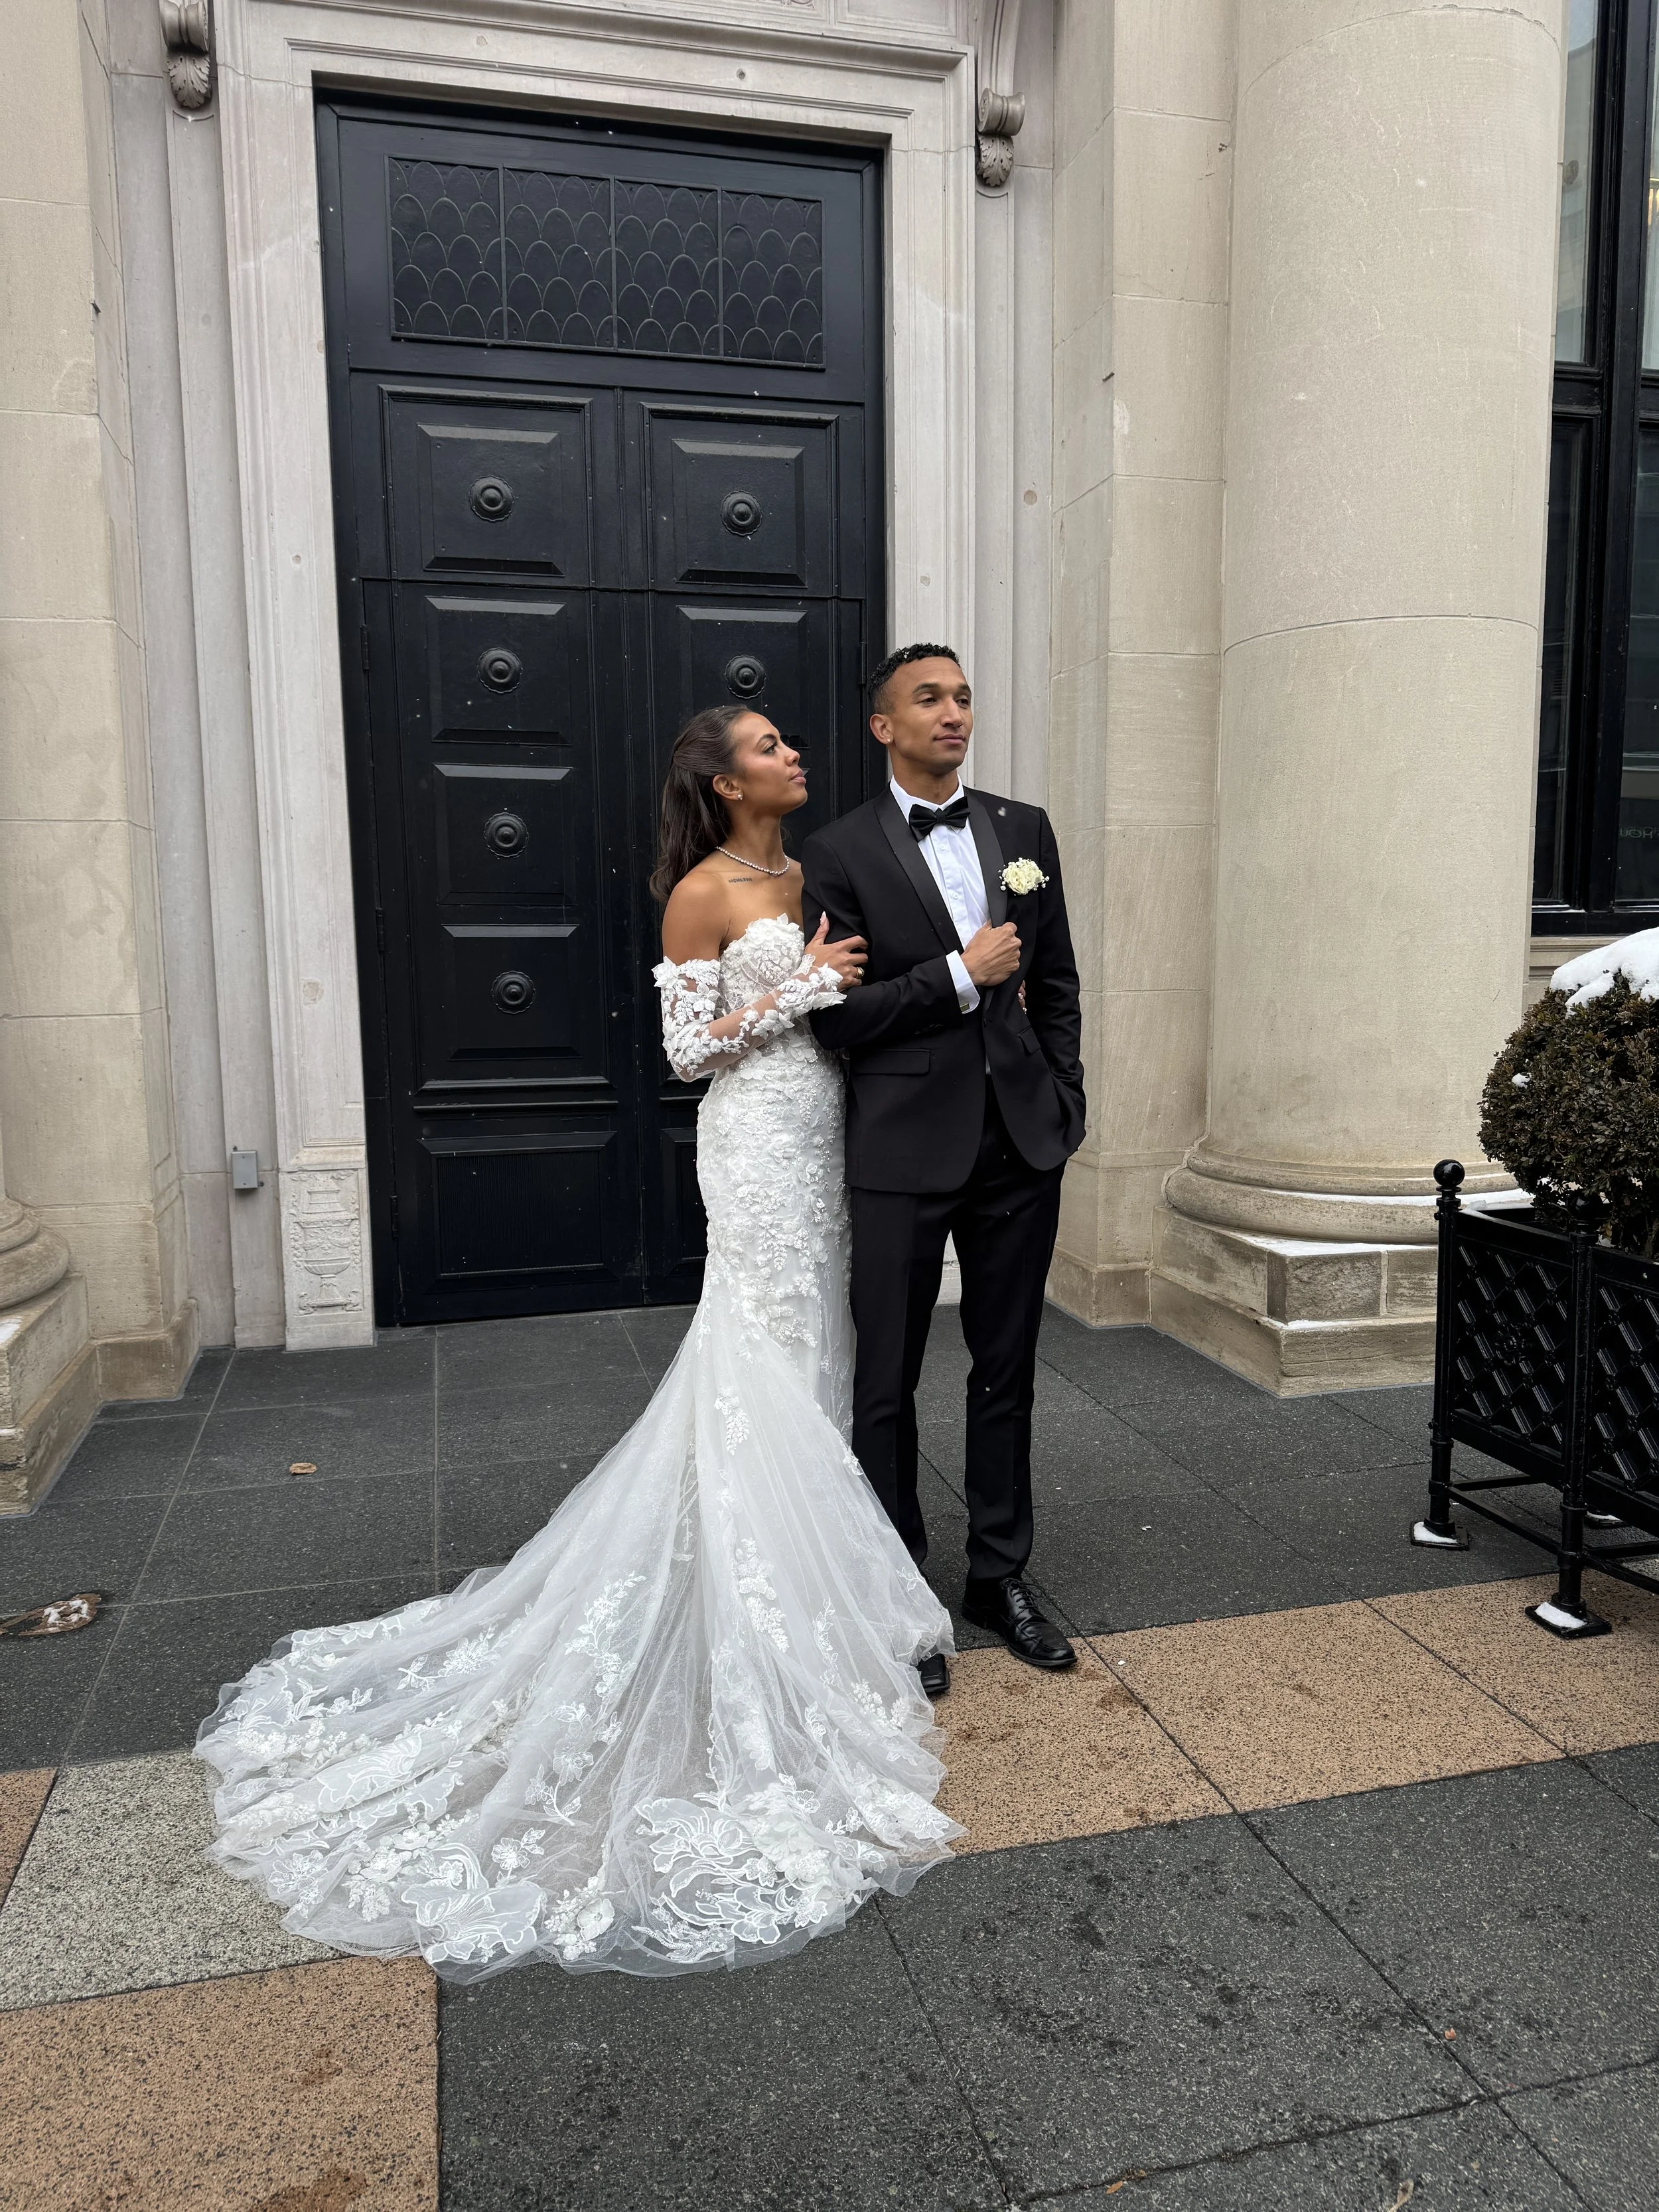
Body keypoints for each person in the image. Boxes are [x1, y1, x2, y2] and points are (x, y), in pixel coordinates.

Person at [194, 703, 960, 1983]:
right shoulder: (704, 892)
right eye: (768, 747)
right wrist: (807, 990)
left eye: (786, 744)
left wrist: (842, 987)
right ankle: (738, 1593)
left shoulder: (804, 871)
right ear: (722, 783)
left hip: (827, 1135)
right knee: (754, 1351)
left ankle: (814, 1578)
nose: (792, 756)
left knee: (821, 1354)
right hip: (756, 1143)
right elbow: (680, 1055)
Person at [802, 644, 1087, 1696]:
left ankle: (998, 1576)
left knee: (1005, 1373)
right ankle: (899, 1596)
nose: (954, 713)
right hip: (902, 1149)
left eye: (964, 696)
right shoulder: (835, 853)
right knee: (887, 1384)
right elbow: (837, 1019)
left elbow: (1056, 979)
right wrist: (958, 978)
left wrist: (1067, 1096)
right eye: (929, 699)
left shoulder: (1025, 830)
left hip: (1021, 1143)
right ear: (884, 725)